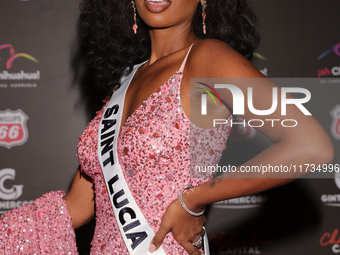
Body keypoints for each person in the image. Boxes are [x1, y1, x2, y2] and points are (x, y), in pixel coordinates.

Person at [0, 0, 334, 254]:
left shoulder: (208, 58)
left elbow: (311, 145)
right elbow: (75, 206)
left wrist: (195, 200)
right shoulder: (125, 80)